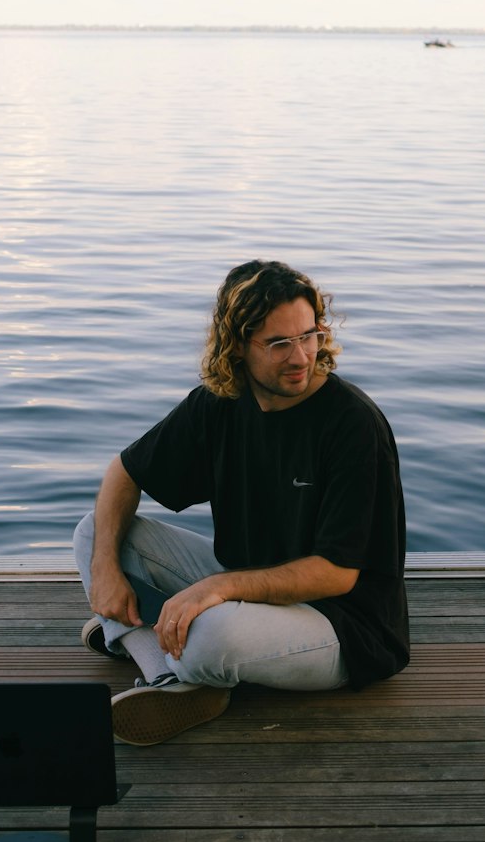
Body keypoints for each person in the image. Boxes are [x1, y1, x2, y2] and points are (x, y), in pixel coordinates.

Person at [74, 259, 409, 746]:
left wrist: (215, 589)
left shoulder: (352, 425)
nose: (300, 357)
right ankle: (169, 674)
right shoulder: (218, 404)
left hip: (342, 624)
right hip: (246, 587)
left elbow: (336, 574)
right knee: (94, 532)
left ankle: (137, 636)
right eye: (278, 343)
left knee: (211, 634)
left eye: (309, 335)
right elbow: (124, 474)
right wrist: (106, 569)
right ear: (237, 347)